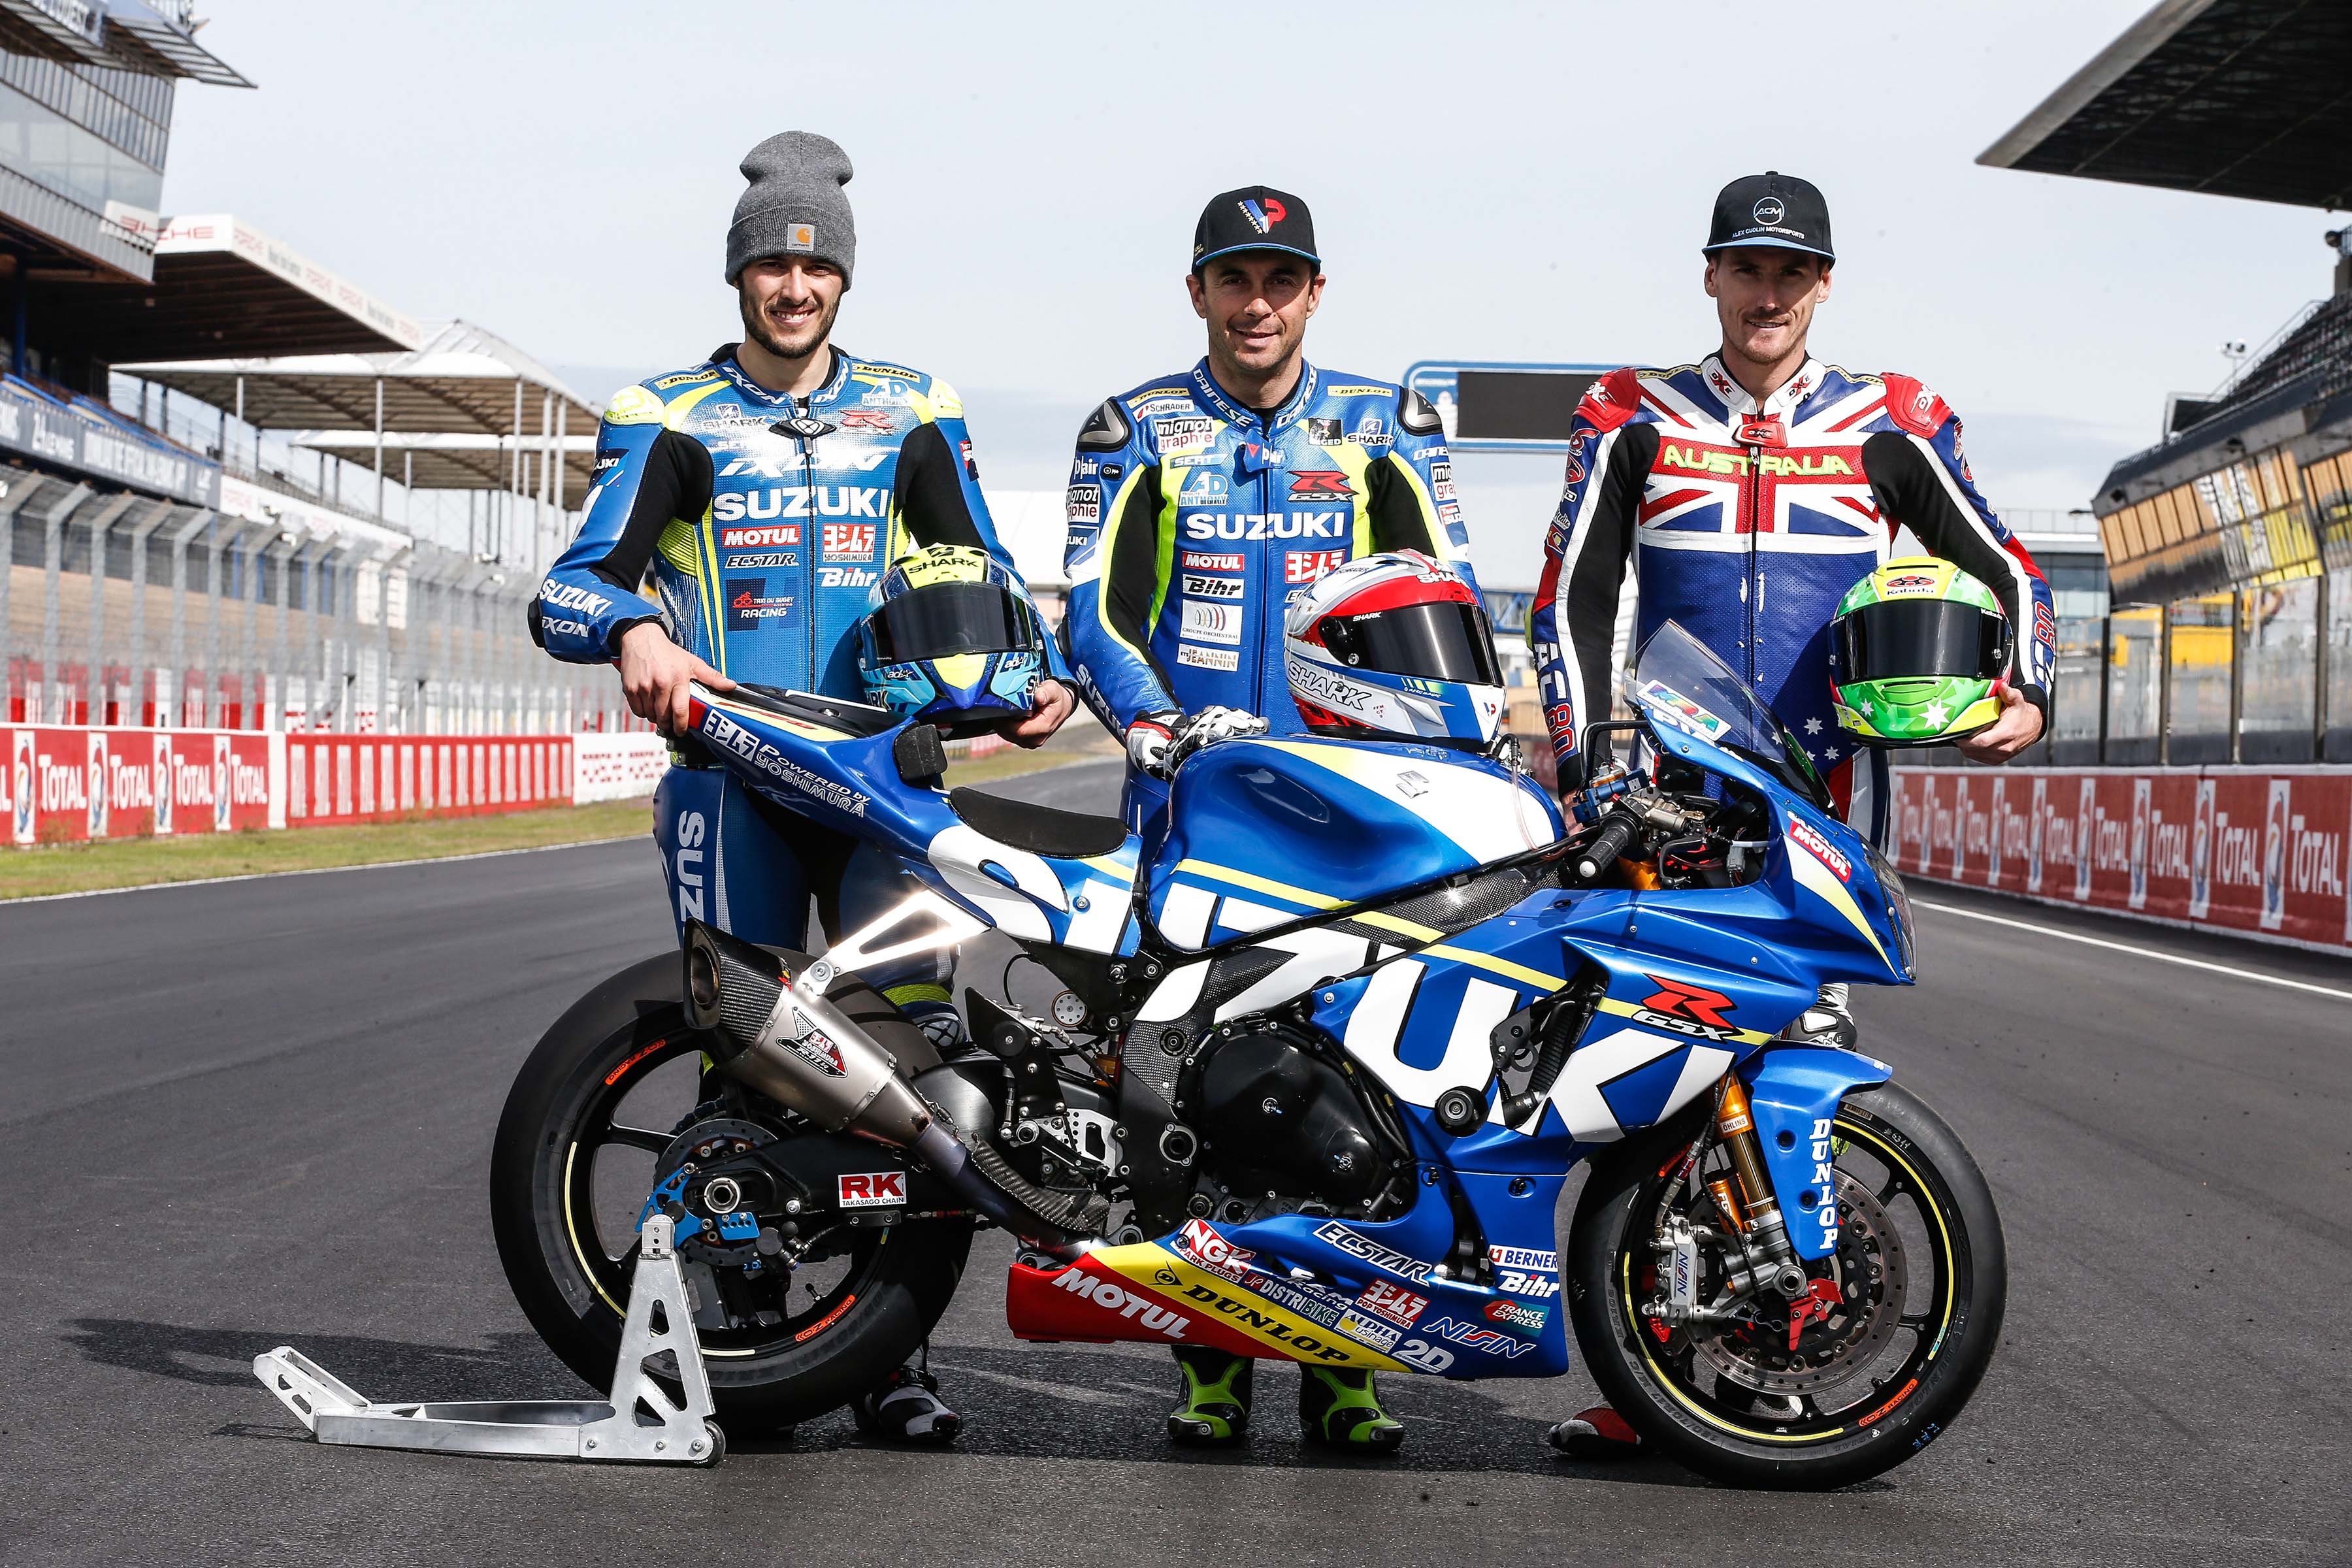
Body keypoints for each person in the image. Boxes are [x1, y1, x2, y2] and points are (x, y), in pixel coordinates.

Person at [531, 130, 1074, 1445]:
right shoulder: (669, 413)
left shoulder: (915, 406)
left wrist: (1039, 675)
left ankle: (893, 1364)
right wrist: (632, 629)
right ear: (739, 276)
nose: (793, 285)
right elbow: (567, 588)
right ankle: (751, 1355)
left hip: (892, 788)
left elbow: (983, 570)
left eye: (815, 265)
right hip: (735, 782)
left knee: (908, 1071)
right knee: (750, 1071)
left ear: (844, 278)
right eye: (771, 264)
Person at [1529, 170, 2055, 1461]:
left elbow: (2007, 568)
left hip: (1820, 805)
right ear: (1711, 275)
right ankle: (1661, 1383)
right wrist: (1587, 767)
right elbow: (1571, 596)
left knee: (1797, 1069)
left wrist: (2028, 688)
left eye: (1792, 272)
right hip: (1667, 807)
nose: (1768, 294)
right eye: (1748, 268)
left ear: (1824, 285)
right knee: (1655, 1086)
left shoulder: (1892, 417)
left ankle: (1759, 1369)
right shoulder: (1632, 412)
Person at [1060, 185, 1474, 1452]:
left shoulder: (1385, 426)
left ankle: (1348, 1366)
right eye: (1234, 279)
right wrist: (1152, 724)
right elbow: (1093, 608)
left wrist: (1454, 758)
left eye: (1280, 280)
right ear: (1198, 291)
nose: (1258, 304)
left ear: (1314, 293)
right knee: (1189, 1085)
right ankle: (1212, 1359)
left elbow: (1447, 594)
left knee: (1365, 1085)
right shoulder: (1135, 426)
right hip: (1189, 806)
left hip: (1354, 813)